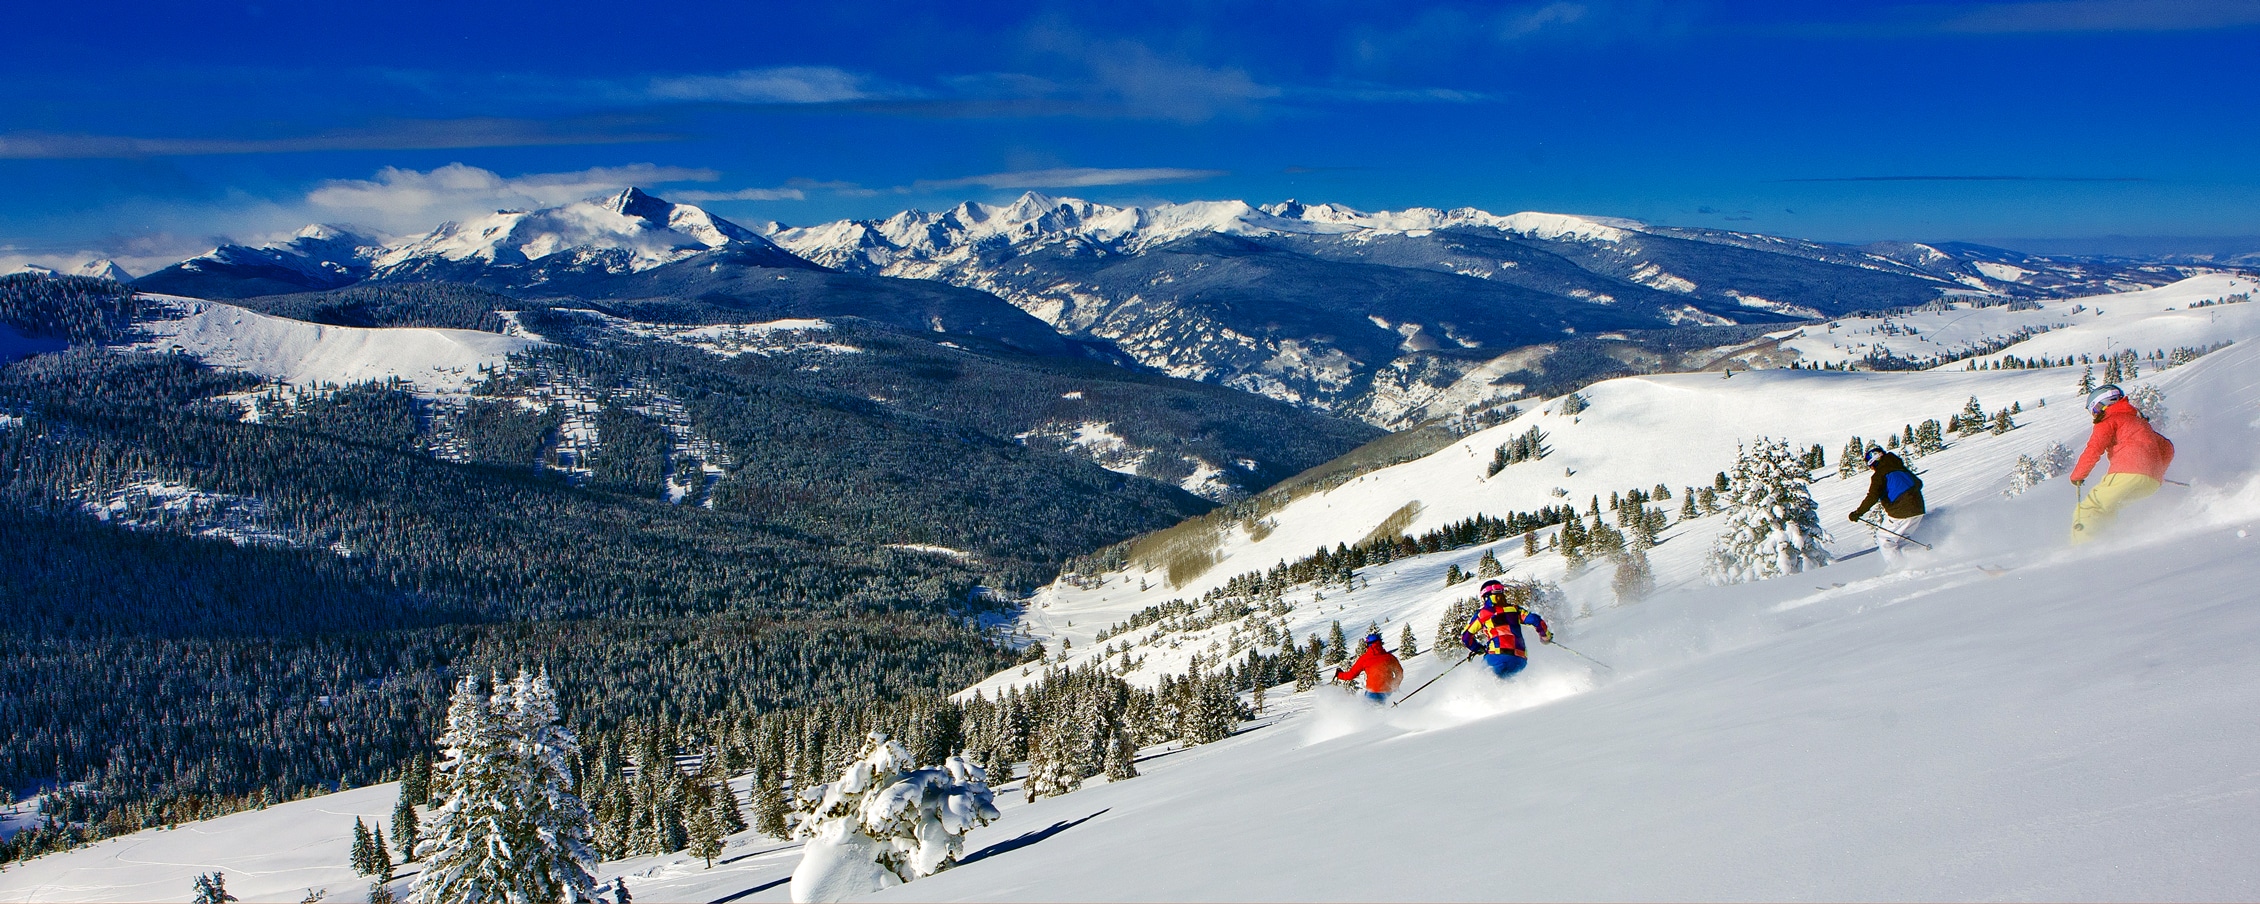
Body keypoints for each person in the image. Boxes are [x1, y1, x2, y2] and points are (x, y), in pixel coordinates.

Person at [2068, 384, 2174, 545]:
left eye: (2094, 410)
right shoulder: (2140, 423)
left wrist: (2078, 475)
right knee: (2109, 507)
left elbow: (2094, 449)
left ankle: (2082, 549)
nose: (2094, 415)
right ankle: (2108, 540)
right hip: (2151, 483)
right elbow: (2167, 448)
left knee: (2089, 508)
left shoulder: (2109, 421)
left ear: (2103, 404)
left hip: (2127, 474)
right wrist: (2155, 472)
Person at [1847, 444, 1926, 568]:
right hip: (1918, 508)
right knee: (1902, 539)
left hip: (1901, 511)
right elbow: (1919, 483)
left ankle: (1897, 568)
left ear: (1874, 462)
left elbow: (1872, 496)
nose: (1871, 469)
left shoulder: (1880, 475)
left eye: (1870, 466)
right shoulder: (1900, 468)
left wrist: (1858, 513)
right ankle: (1922, 562)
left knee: (1885, 539)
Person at [1459, 580, 1552, 679]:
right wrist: (1545, 637)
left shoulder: (1483, 614)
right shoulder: (1515, 610)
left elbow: (1466, 637)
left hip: (1497, 655)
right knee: (1506, 681)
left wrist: (1478, 648)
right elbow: (1536, 620)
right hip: (1520, 658)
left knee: (1482, 680)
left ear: (1485, 597)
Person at [1333, 633, 1403, 704]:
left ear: (1368, 645)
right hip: (1388, 691)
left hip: (1372, 692)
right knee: (1387, 708)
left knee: (1368, 710)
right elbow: (1399, 673)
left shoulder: (1364, 659)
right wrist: (1394, 685)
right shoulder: (1390, 657)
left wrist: (1339, 675)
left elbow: (1351, 675)